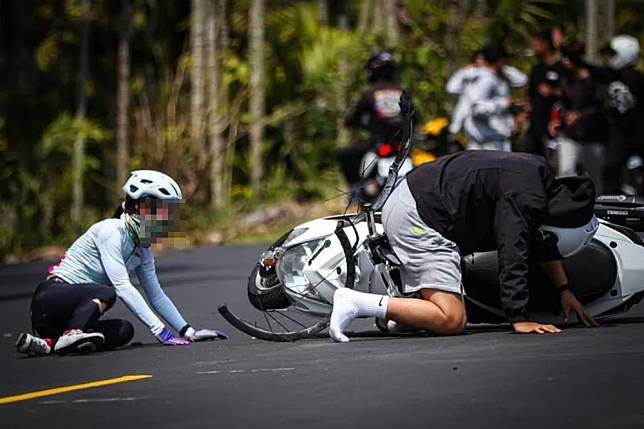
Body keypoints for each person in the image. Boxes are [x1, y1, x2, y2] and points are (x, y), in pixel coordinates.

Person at [329, 151, 599, 343]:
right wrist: (519, 317)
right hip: (419, 215)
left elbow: (536, 240)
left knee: (447, 311)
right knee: (452, 319)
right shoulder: (525, 195)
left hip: (417, 199)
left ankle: (405, 315)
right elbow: (513, 249)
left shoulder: (536, 177)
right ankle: (356, 303)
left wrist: (564, 289)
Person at [16, 170, 228, 356]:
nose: (164, 219)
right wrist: (161, 332)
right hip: (49, 300)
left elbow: (156, 294)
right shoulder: (111, 231)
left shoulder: (142, 250)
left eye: (168, 211)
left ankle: (49, 343)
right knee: (108, 293)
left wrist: (188, 332)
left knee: (124, 331)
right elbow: (122, 287)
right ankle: (72, 334)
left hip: (73, 314)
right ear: (136, 207)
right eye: (156, 209)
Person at [567, 35, 644, 194]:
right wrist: (571, 54)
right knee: (610, 171)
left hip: (639, 134)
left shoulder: (638, 80)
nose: (610, 58)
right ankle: (611, 209)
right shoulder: (611, 75)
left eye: (614, 54)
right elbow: (590, 68)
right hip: (618, 135)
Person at [339, 52, 405, 194]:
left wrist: (351, 123)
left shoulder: (369, 93)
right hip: (404, 144)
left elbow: (354, 117)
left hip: (378, 143)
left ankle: (356, 191)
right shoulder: (402, 91)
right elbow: (415, 116)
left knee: (344, 155)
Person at [549, 41, 608, 193]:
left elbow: (601, 106)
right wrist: (556, 119)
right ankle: (564, 208)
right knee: (565, 173)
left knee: (594, 178)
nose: (565, 61)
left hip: (592, 136)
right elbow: (560, 103)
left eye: (569, 58)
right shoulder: (565, 78)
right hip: (570, 134)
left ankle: (596, 210)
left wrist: (581, 115)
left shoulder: (594, 78)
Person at [446, 48, 527, 137]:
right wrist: (503, 103)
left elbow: (522, 80)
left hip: (497, 133)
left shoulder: (500, 76)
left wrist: (501, 67)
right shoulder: (478, 78)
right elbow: (453, 89)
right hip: (481, 134)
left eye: (483, 59)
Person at [460, 44, 520, 151]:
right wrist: (502, 104)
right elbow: (476, 108)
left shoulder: (497, 77)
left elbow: (521, 80)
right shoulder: (486, 79)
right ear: (500, 60)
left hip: (495, 141)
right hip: (488, 143)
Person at [525, 30, 565, 158]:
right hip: (536, 127)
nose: (534, 49)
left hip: (554, 127)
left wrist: (552, 92)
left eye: (536, 45)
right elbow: (529, 96)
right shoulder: (536, 70)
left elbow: (570, 94)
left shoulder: (561, 68)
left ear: (545, 44)